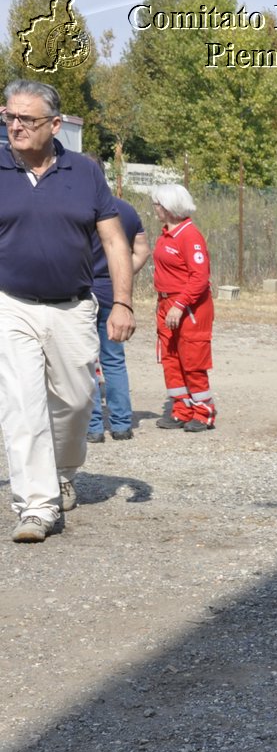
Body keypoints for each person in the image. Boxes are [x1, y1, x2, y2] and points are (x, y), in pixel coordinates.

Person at [0, 78, 136, 543]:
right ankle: (36, 507)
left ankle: (62, 471)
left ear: (54, 124)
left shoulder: (86, 172)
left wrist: (122, 302)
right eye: (9, 116)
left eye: (26, 119)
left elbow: (115, 240)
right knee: (22, 406)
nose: (15, 126)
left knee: (76, 401)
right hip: (11, 304)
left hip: (73, 307)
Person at [149, 184, 216, 432]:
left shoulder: (190, 236)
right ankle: (181, 408)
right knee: (170, 357)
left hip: (189, 307)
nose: (155, 209)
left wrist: (179, 305)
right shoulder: (167, 234)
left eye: (157, 204)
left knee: (192, 359)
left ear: (168, 207)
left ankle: (203, 411)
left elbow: (199, 277)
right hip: (166, 303)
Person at [87, 196, 150, 443]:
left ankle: (92, 427)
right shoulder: (125, 209)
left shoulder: (79, 206)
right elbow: (143, 250)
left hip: (82, 293)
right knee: (114, 360)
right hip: (113, 295)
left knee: (85, 363)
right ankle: (122, 425)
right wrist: (120, 272)